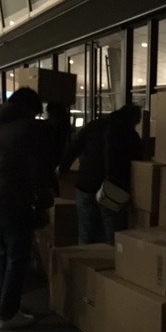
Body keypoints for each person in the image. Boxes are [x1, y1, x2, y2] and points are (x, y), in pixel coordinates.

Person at [0, 88, 54, 330]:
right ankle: (8, 314)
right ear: (28, 109)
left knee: (3, 252)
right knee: (17, 257)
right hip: (13, 201)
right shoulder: (28, 129)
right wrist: (43, 199)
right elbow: (38, 169)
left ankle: (6, 306)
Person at [58, 104, 143, 245]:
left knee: (86, 232)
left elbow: (73, 148)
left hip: (87, 184)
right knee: (111, 235)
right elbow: (139, 163)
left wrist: (63, 169)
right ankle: (109, 258)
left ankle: (84, 258)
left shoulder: (93, 126)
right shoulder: (131, 135)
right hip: (112, 190)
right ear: (133, 119)